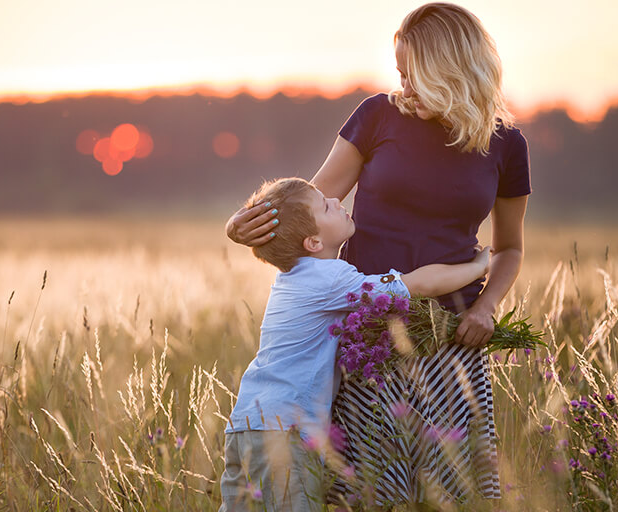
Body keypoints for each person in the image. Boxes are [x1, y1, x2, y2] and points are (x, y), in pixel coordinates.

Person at [225, 2, 530, 505]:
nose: (403, 85)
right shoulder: (377, 116)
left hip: (454, 343)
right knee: (366, 494)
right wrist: (244, 225)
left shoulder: (505, 146)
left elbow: (511, 248)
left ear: (450, 70)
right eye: (400, 72)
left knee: (454, 494)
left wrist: (486, 305)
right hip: (368, 340)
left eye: (414, 74)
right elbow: (310, 206)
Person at [220, 177, 491, 511]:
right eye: (324, 205)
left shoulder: (291, 279)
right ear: (314, 242)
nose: (335, 201)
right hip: (285, 430)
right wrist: (477, 267)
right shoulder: (330, 279)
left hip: (247, 424)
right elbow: (418, 283)